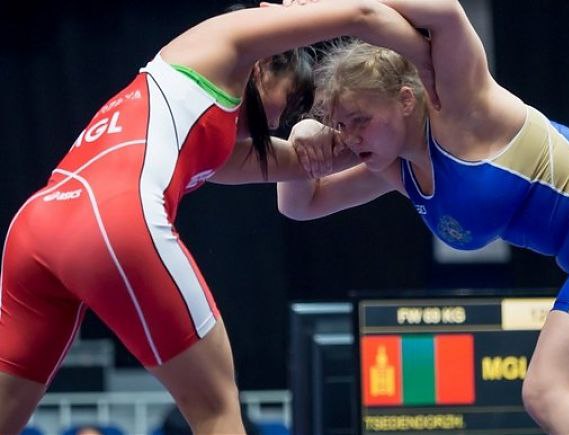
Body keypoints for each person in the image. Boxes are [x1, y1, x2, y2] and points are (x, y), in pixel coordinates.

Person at [0, 2, 434, 434]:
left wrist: (352, 131)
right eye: (288, 100)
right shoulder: (222, 42)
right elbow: (362, 15)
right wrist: (433, 72)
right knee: (217, 409)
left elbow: (310, 163)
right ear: (265, 65)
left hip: (36, 228)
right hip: (111, 217)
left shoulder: (209, 137)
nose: (278, 120)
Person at [277, 1, 569, 433]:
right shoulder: (396, 169)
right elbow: (300, 205)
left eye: (360, 120)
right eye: (341, 125)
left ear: (405, 100)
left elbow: (447, 12)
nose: (350, 137)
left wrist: (329, 7)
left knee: (548, 391)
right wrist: (300, 136)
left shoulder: (458, 107)